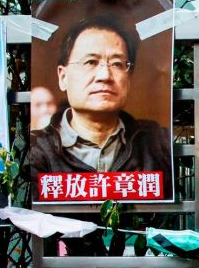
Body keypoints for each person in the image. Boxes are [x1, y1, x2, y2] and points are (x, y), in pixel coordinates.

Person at [27, 15, 171, 180]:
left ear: (129, 78)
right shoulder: (35, 149)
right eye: (90, 62)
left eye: (117, 64)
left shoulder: (158, 143)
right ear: (63, 77)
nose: (105, 75)